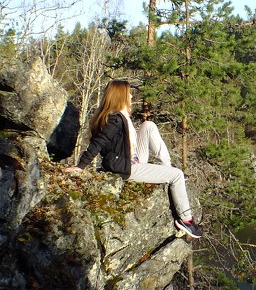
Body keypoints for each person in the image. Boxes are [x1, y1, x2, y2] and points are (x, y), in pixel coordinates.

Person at [65, 80, 203, 238]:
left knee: (148, 126)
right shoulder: (115, 119)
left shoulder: (120, 116)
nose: (131, 95)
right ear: (121, 96)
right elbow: (98, 142)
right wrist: (81, 166)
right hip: (126, 167)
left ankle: (168, 165)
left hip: (132, 158)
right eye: (128, 93)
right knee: (177, 175)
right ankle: (186, 220)